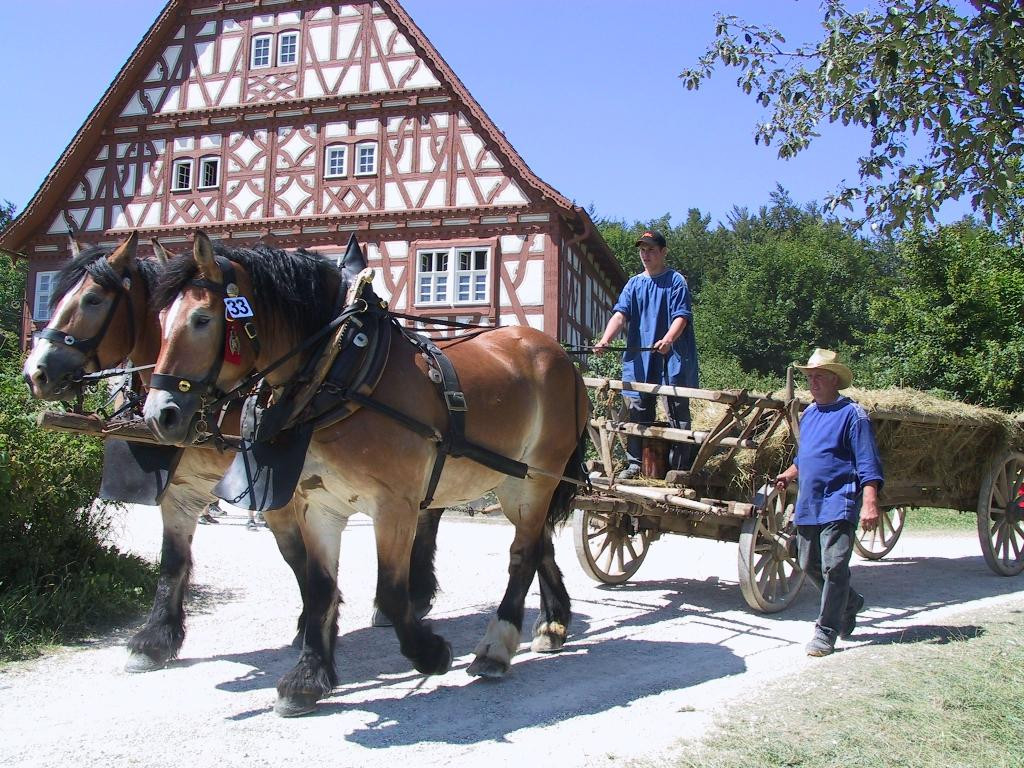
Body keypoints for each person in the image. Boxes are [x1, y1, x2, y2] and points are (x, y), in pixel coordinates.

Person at [774, 348, 883, 657]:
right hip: (809, 501)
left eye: (819, 376)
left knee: (835, 566)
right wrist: (790, 472)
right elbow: (807, 455)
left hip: (840, 498)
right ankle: (849, 601)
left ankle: (826, 631)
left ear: (835, 379)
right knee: (808, 564)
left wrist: (870, 501)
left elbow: (867, 462)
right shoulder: (809, 415)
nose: (813, 382)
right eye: (809, 377)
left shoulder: (853, 415)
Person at [594, 230, 699, 478]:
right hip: (641, 359)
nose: (646, 254)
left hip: (672, 357)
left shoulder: (676, 281)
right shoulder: (634, 284)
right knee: (638, 411)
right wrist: (605, 339)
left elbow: (681, 316)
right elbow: (620, 314)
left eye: (651, 249)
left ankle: (680, 466)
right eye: (642, 250)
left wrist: (668, 340)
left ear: (663, 252)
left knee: (676, 409)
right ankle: (635, 464)